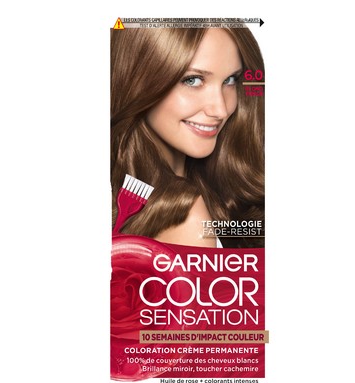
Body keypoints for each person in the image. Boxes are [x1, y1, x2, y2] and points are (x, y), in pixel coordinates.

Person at [111, 27, 264, 248]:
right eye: (193, 80)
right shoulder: (188, 217)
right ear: (134, 80)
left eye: (230, 80)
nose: (221, 110)